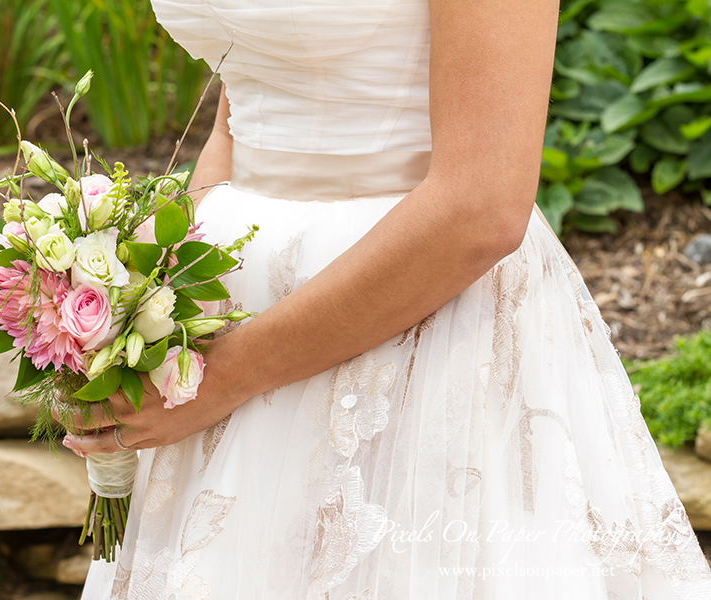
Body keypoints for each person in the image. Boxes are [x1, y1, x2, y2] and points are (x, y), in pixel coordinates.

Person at [66, 0, 711, 597]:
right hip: (230, 291)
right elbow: (249, 92)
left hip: (412, 306)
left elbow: (480, 206)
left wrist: (221, 379)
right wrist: (151, 293)